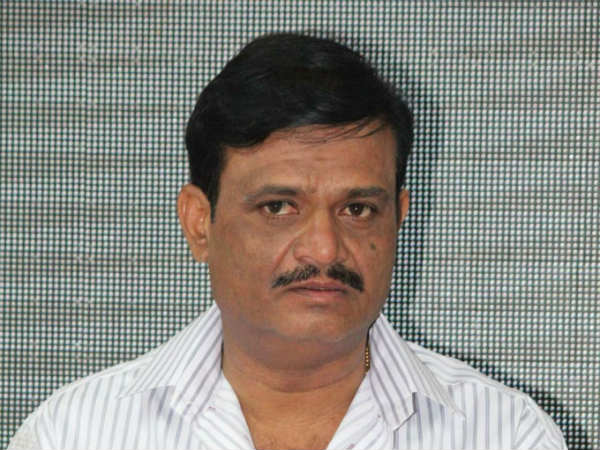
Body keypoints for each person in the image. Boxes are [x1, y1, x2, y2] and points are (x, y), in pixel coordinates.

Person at [9, 32, 566, 450]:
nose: (323, 249)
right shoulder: (77, 433)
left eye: (357, 209)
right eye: (278, 207)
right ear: (200, 222)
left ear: (398, 219)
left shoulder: (504, 434)